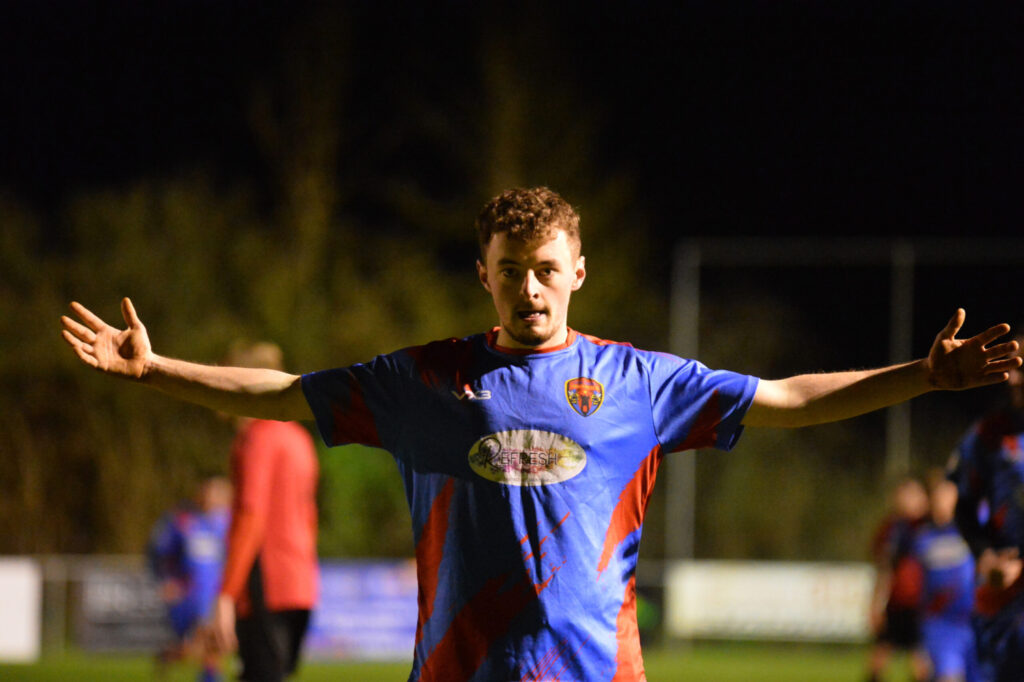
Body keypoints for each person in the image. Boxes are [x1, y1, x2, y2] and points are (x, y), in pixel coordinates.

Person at [61, 186, 1020, 682]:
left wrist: (922, 376)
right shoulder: (423, 381)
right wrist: (157, 370)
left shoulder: (642, 382)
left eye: (547, 268)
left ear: (578, 271)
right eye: (511, 268)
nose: (530, 287)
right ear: (483, 272)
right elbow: (281, 394)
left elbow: (789, 400)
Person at [210, 341, 320, 682]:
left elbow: (250, 516)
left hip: (266, 584)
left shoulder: (255, 439)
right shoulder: (299, 438)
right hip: (300, 584)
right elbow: (310, 517)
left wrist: (227, 594)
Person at [949, 334, 1024, 682]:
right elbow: (963, 507)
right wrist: (984, 556)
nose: (1015, 378)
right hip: (1004, 586)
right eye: (1011, 367)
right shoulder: (989, 433)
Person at [147, 476, 232, 682]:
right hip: (192, 595)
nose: (212, 497)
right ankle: (209, 676)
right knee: (209, 640)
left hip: (219, 592)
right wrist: (167, 581)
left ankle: (173, 656)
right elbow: (159, 553)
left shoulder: (228, 522)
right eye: (209, 492)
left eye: (218, 493)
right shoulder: (183, 522)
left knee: (216, 644)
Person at [910, 469, 981, 682]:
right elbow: (917, 591)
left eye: (948, 494)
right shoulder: (923, 539)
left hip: (977, 622)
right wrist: (919, 645)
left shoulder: (977, 533)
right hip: (942, 625)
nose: (942, 501)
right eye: (937, 495)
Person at [866, 476, 930, 682]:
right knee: (879, 658)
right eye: (904, 494)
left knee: (921, 662)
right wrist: (876, 604)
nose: (907, 499)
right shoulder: (891, 529)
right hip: (896, 602)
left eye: (913, 494)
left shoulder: (932, 527)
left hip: (923, 603)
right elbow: (884, 568)